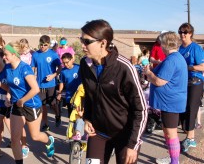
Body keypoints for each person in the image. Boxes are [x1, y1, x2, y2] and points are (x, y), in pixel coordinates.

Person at [79, 19, 147, 164]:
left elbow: (141, 109)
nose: (82, 45)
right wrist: (87, 119)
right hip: (98, 132)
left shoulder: (124, 67)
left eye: (86, 41)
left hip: (125, 135)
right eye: (81, 39)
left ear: (103, 43)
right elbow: (90, 96)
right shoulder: (85, 65)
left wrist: (133, 144)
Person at [3, 42, 55, 163]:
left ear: (14, 54)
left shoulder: (24, 68)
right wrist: (8, 95)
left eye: (6, 55)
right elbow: (11, 85)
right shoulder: (8, 67)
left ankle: (49, 141)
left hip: (31, 105)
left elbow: (35, 89)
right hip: (17, 106)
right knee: (15, 139)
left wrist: (23, 100)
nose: (4, 57)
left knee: (35, 136)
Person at [144, 31, 187, 164]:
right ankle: (172, 158)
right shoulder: (175, 58)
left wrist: (148, 73)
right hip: (169, 102)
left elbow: (159, 81)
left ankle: (174, 161)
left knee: (170, 133)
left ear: (166, 44)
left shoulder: (172, 60)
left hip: (170, 102)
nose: (160, 46)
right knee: (168, 131)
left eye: (161, 42)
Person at [178, 22, 204, 152]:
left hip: (195, 81)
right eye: (180, 32)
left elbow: (203, 66)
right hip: (182, 81)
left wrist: (190, 67)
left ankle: (190, 139)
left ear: (190, 34)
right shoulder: (179, 49)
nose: (182, 34)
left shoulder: (195, 48)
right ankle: (189, 135)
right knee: (182, 109)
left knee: (191, 108)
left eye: (185, 32)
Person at [31, 35, 62, 131]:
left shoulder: (53, 54)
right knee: (42, 105)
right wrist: (31, 79)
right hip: (40, 85)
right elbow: (32, 68)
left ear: (48, 45)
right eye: (41, 44)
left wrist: (53, 75)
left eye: (45, 45)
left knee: (52, 104)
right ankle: (46, 124)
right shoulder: (35, 54)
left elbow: (60, 67)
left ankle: (57, 115)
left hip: (51, 84)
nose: (42, 47)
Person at [57, 52, 81, 118]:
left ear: (72, 60)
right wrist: (59, 93)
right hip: (69, 96)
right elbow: (62, 82)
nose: (65, 64)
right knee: (71, 115)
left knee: (79, 115)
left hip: (79, 95)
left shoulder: (79, 68)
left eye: (67, 62)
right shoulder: (63, 71)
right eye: (63, 63)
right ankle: (71, 127)